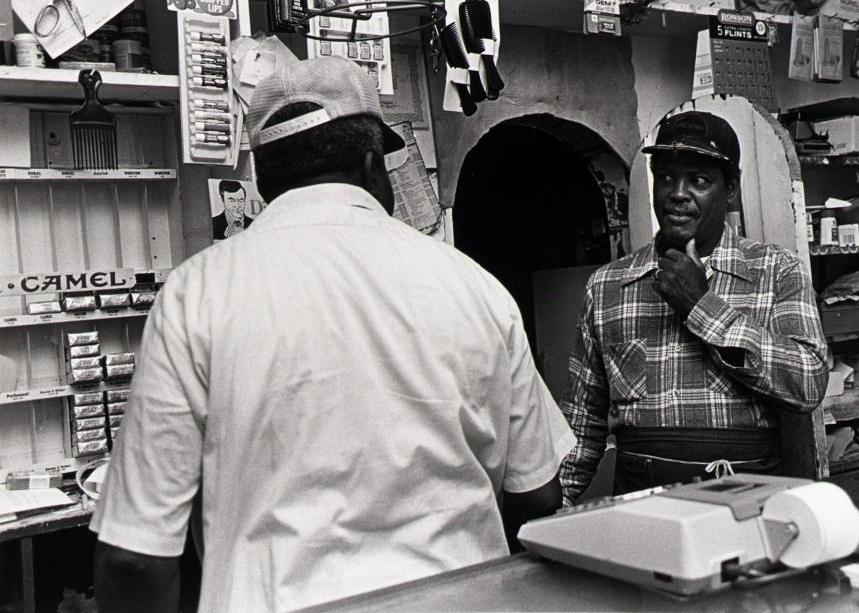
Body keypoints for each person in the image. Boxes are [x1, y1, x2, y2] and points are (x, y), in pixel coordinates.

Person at [92, 56, 574, 613]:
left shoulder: (196, 293)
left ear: (263, 178)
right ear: (373, 166)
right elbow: (538, 495)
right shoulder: (476, 288)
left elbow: (134, 559)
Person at [560, 110, 828, 506]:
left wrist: (702, 306)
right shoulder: (608, 286)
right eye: (666, 177)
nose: (678, 193)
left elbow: (808, 383)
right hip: (642, 511)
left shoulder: (776, 270)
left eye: (699, 180)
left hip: (746, 507)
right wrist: (553, 505)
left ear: (730, 188)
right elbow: (582, 423)